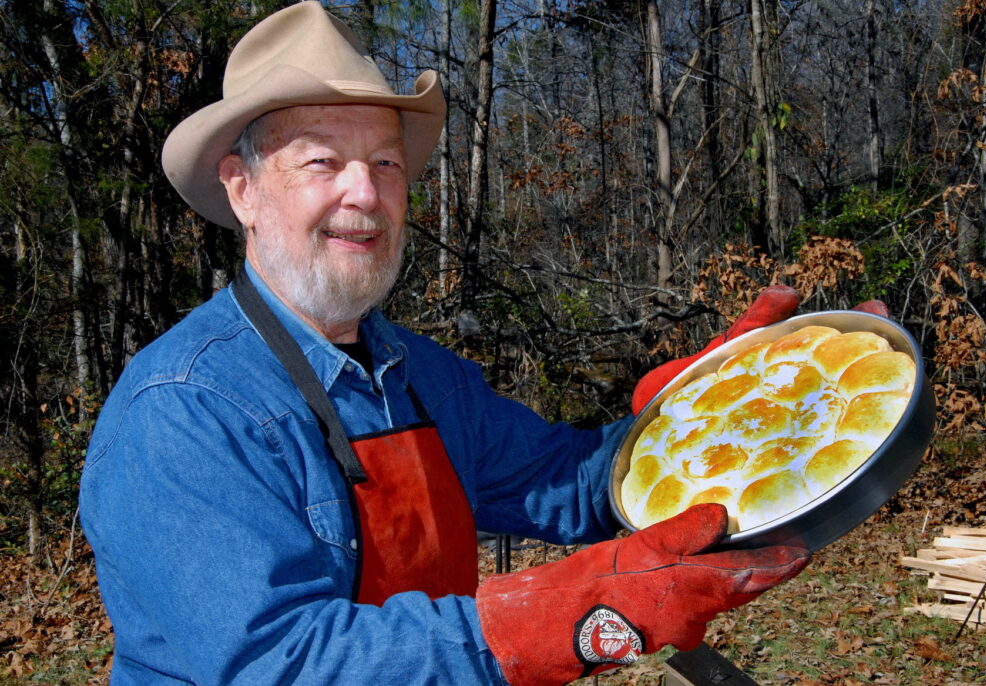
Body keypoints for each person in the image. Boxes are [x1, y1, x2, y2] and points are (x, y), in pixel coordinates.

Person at [79, 3, 812, 685]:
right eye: (321, 162)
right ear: (242, 189)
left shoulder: (421, 376)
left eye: (386, 163)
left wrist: (701, 417)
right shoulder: (183, 410)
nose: (365, 194)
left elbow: (573, 484)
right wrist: (549, 618)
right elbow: (280, 662)